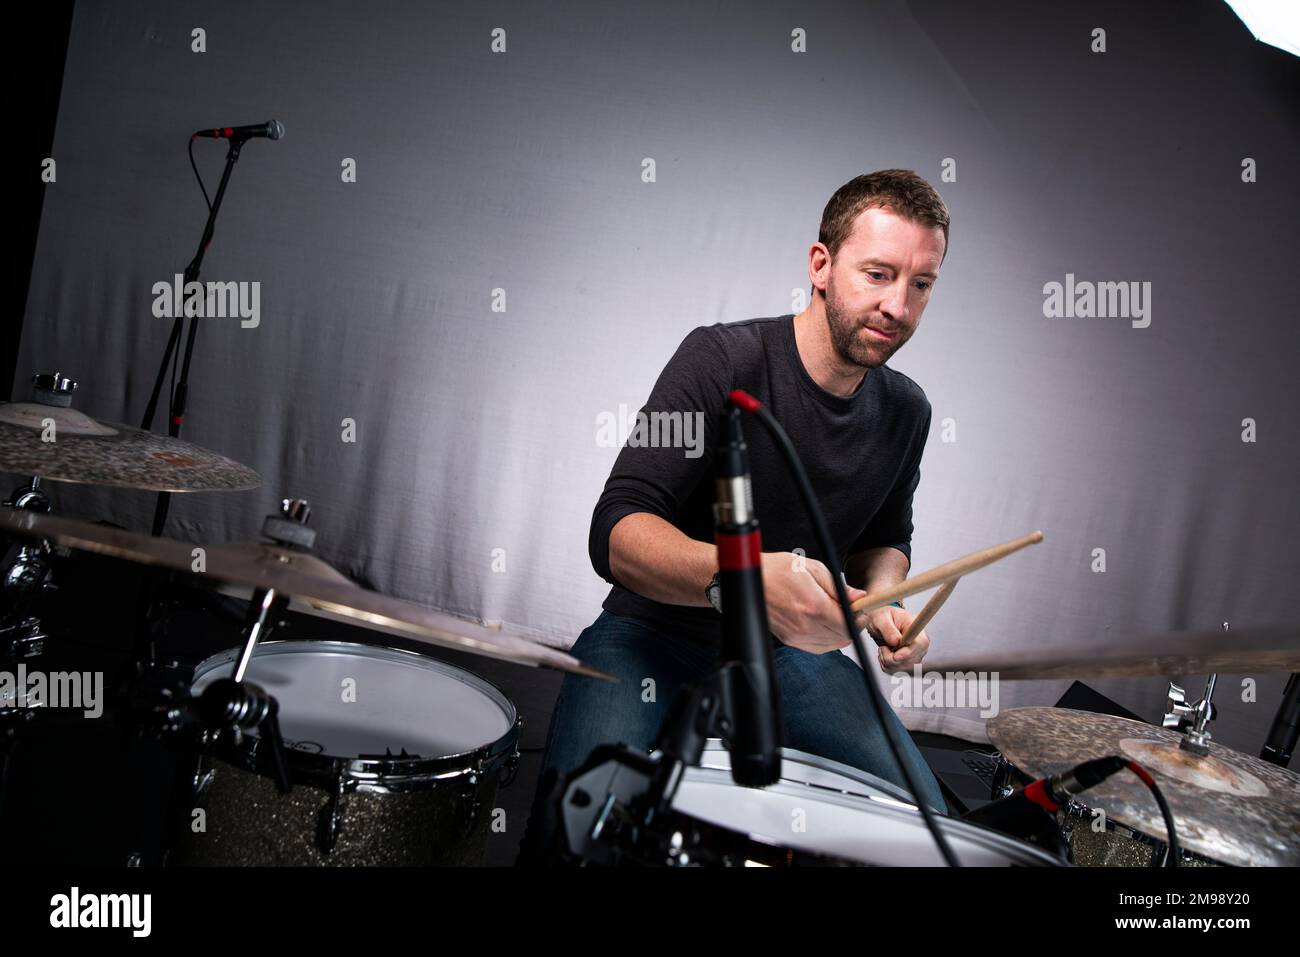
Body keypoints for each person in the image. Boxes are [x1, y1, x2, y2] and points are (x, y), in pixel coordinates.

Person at [520, 169, 952, 864]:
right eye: (878, 273)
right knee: (575, 832)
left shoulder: (909, 409)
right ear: (820, 264)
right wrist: (743, 578)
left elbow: (883, 539)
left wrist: (883, 601)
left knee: (928, 824)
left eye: (921, 284)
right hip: (651, 631)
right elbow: (617, 527)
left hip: (789, 652)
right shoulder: (722, 358)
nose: (897, 305)